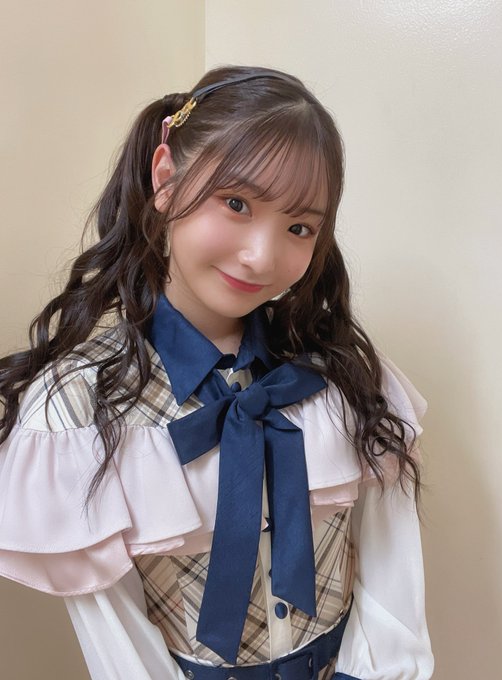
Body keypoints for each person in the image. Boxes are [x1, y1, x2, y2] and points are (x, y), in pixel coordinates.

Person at [0, 65, 433, 680]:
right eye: (236, 203)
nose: (262, 256)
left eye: (299, 227)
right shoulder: (79, 408)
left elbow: (389, 556)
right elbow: (117, 636)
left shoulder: (337, 370)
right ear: (166, 179)